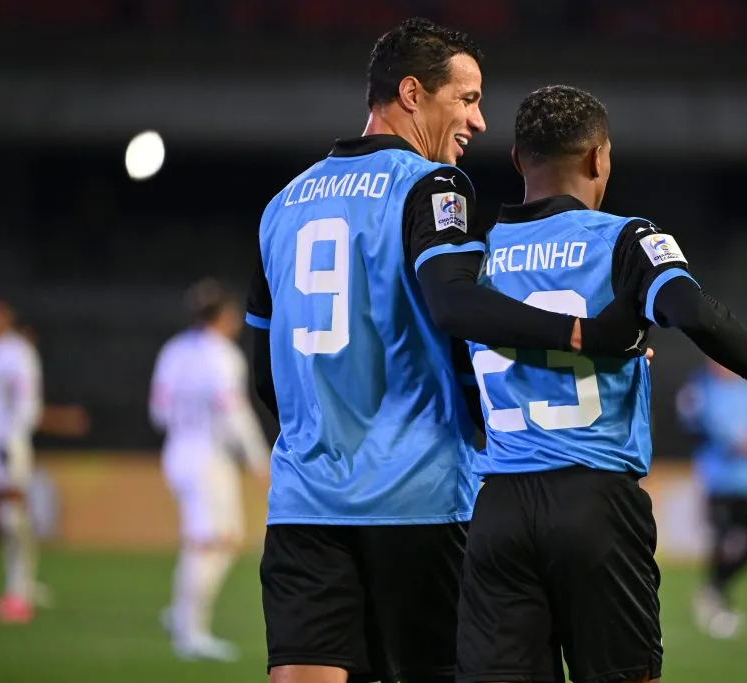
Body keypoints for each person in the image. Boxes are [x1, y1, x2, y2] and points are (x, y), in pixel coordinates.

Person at [244, 18, 646, 683]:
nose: (480, 120)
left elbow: (265, 375)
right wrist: (583, 336)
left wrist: (318, 443)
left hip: (304, 501)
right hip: (418, 498)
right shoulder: (432, 187)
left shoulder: (280, 205)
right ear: (411, 92)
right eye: (466, 98)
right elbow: (457, 308)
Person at [456, 85, 747, 683]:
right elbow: (693, 311)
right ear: (599, 158)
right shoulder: (624, 238)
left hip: (496, 508)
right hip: (595, 502)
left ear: (517, 160)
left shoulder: (472, 256)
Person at [149, 279, 270, 661]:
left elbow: (158, 412)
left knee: (208, 539)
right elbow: (233, 412)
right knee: (214, 542)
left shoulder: (173, 350)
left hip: (177, 451)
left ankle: (181, 613)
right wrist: (256, 458)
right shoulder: (222, 356)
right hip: (208, 458)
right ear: (221, 316)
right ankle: (190, 631)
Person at [677, 359, 747, 638]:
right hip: (716, 480)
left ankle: (712, 589)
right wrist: (737, 443)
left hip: (746, 481)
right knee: (721, 541)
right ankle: (716, 598)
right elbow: (699, 424)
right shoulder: (702, 388)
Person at [0, 296, 43, 624]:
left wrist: (10, 439)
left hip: (6, 450)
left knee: (12, 520)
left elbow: (28, 403)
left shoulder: (18, 353)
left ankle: (18, 591)